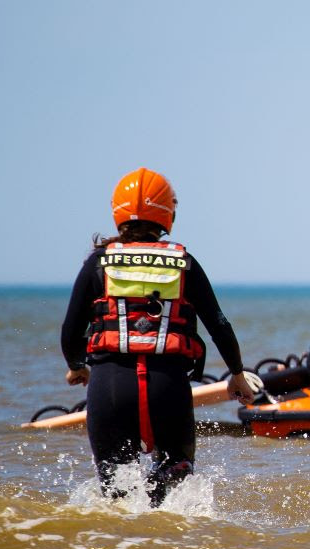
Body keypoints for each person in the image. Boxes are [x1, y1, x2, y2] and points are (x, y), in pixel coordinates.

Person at [60, 167, 261, 505]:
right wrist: (237, 375)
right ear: (169, 213)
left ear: (117, 212)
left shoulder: (98, 263)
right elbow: (219, 325)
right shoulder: (184, 263)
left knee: (116, 500)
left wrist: (77, 366)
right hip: (167, 388)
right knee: (174, 494)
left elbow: (70, 329)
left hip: (110, 386)